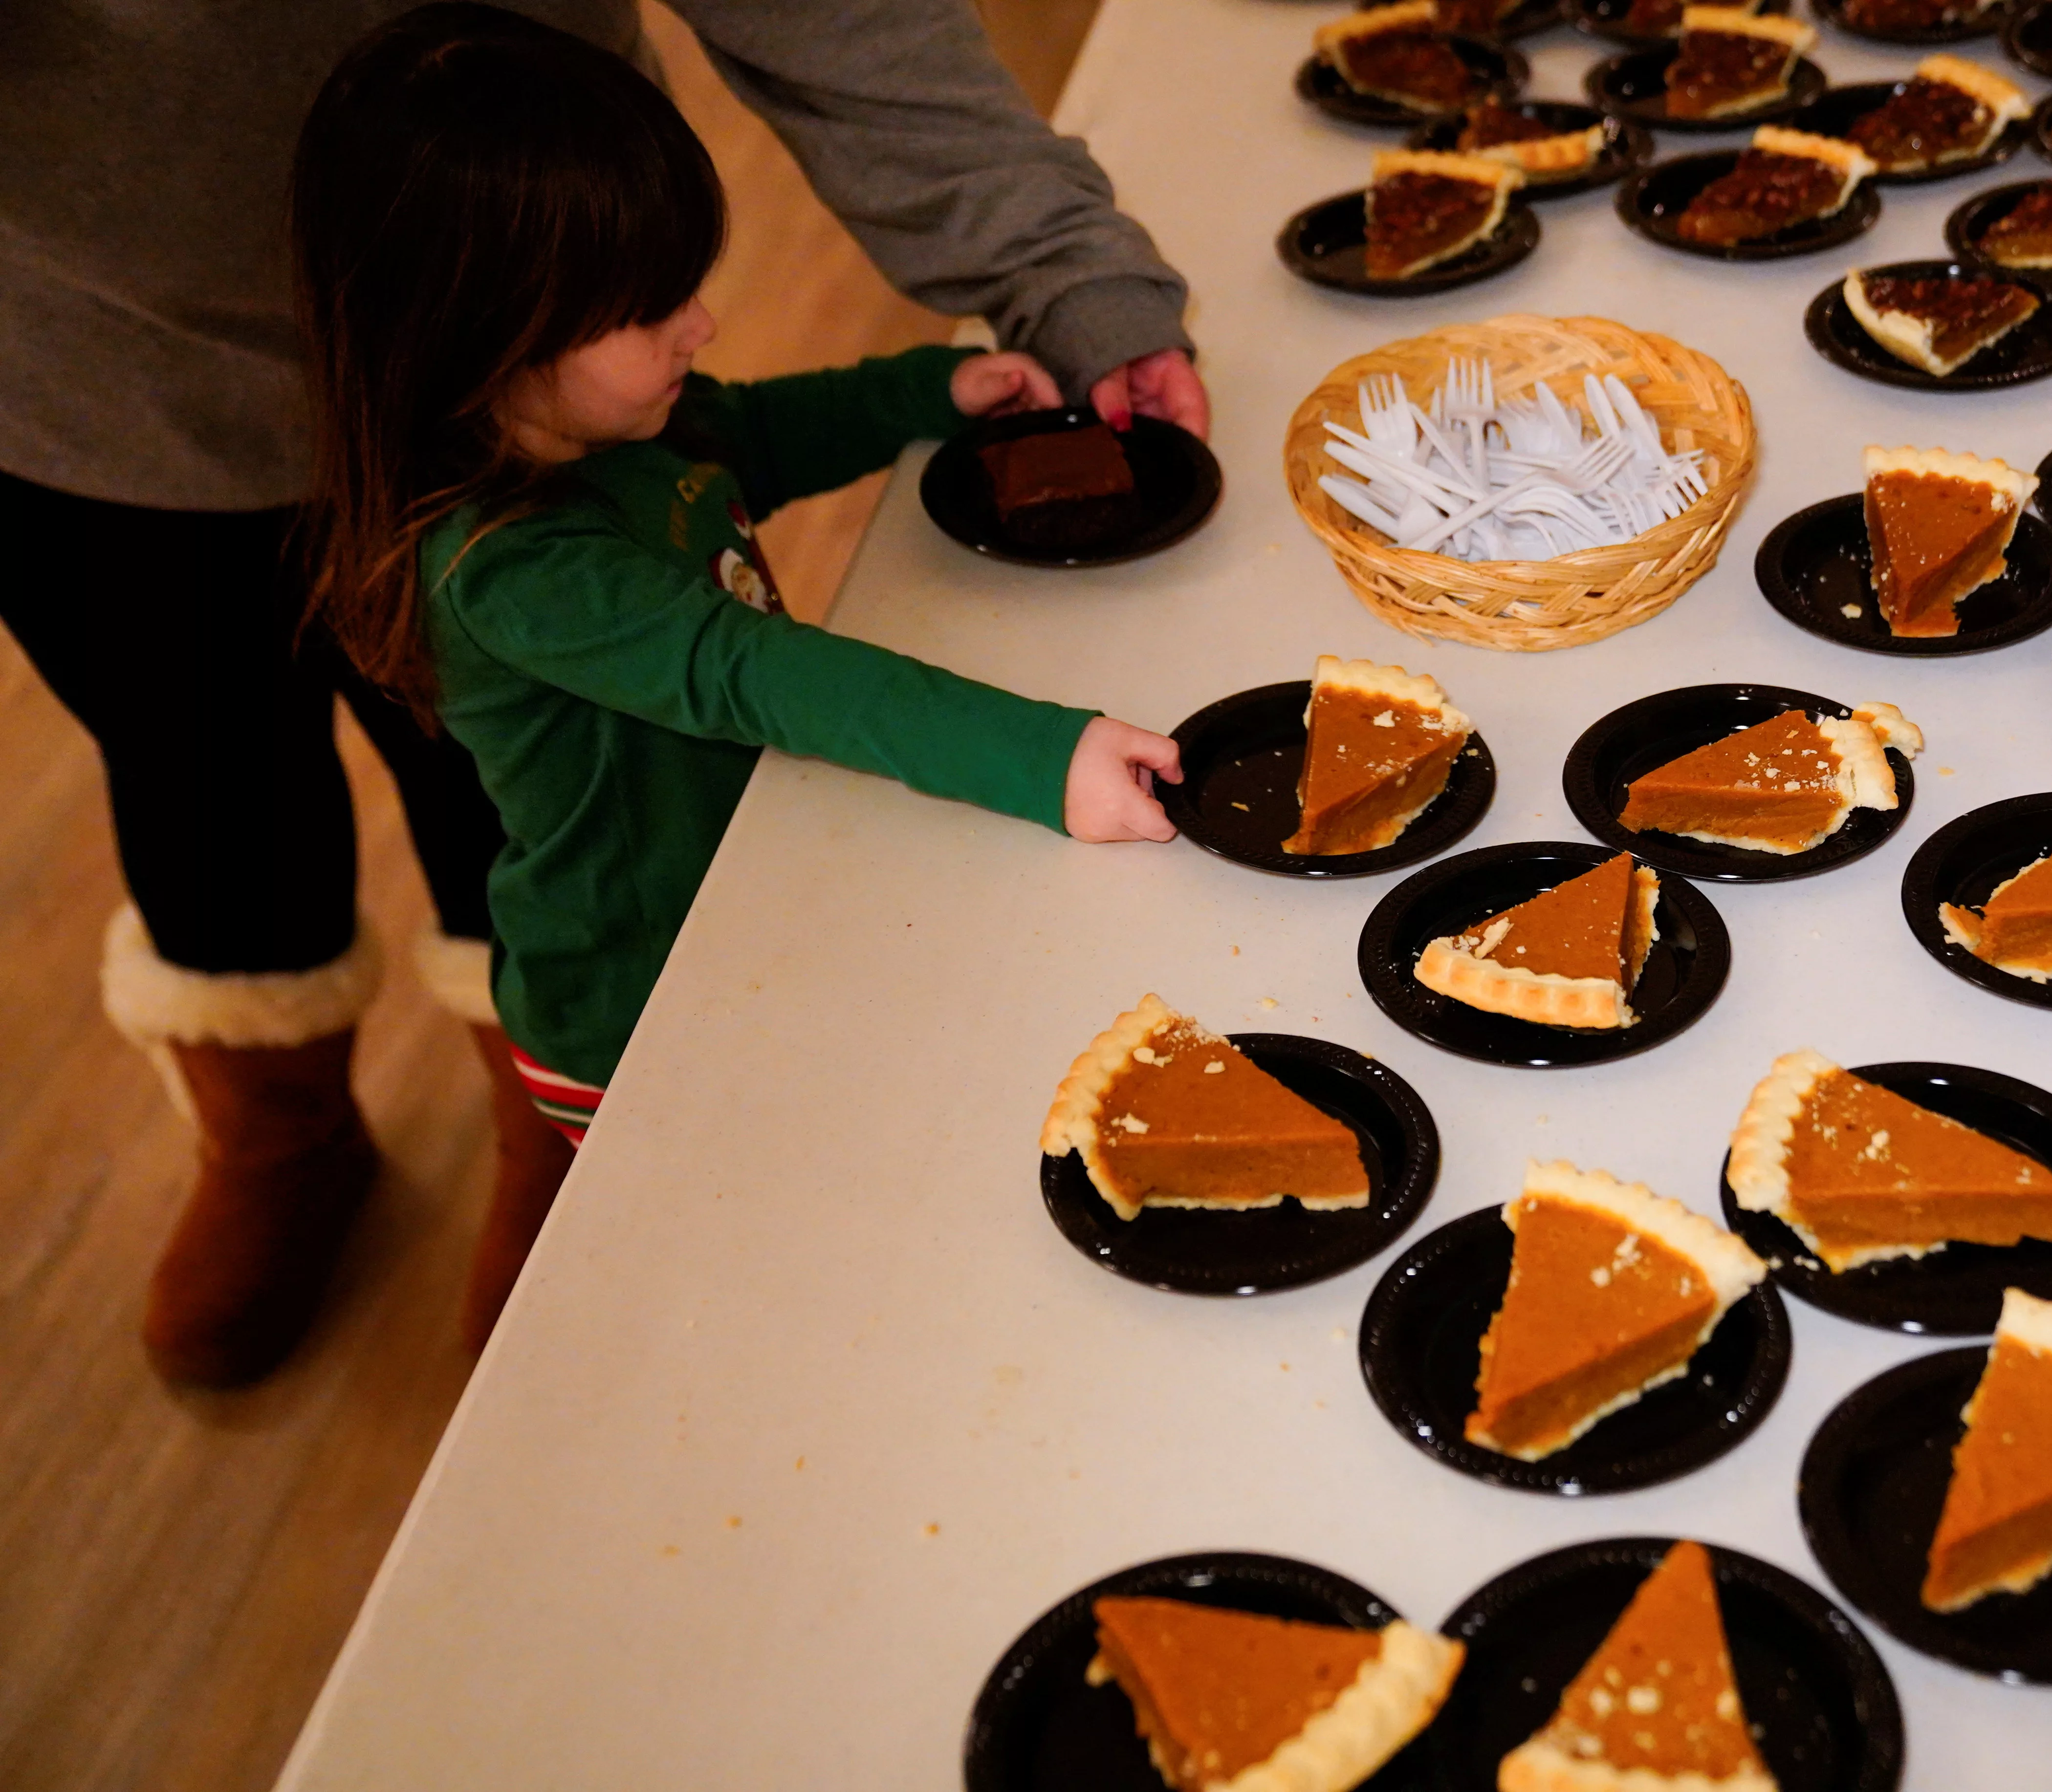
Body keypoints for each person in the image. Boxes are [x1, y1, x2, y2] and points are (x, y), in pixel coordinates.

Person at [0, 0, 1204, 1384]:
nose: (701, 320)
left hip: (740, 911)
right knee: (720, 1254)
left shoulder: (597, 416)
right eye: (650, 307)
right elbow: (754, 670)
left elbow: (749, 437)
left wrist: (928, 393)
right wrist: (1045, 757)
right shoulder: (519, 569)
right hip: (635, 1010)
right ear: (486, 338)